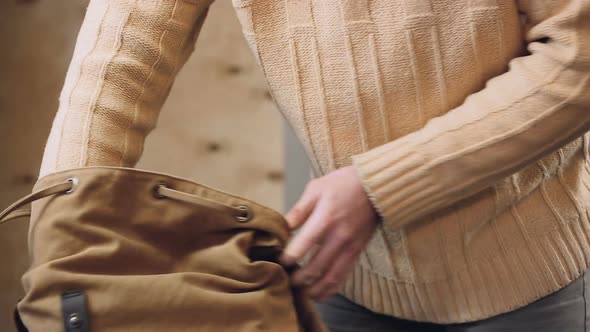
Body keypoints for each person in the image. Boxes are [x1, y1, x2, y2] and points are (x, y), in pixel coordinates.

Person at [40, 0, 590, 331]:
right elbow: (124, 51)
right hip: (347, 278)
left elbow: (577, 60)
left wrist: (378, 190)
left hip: (528, 284)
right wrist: (63, 227)